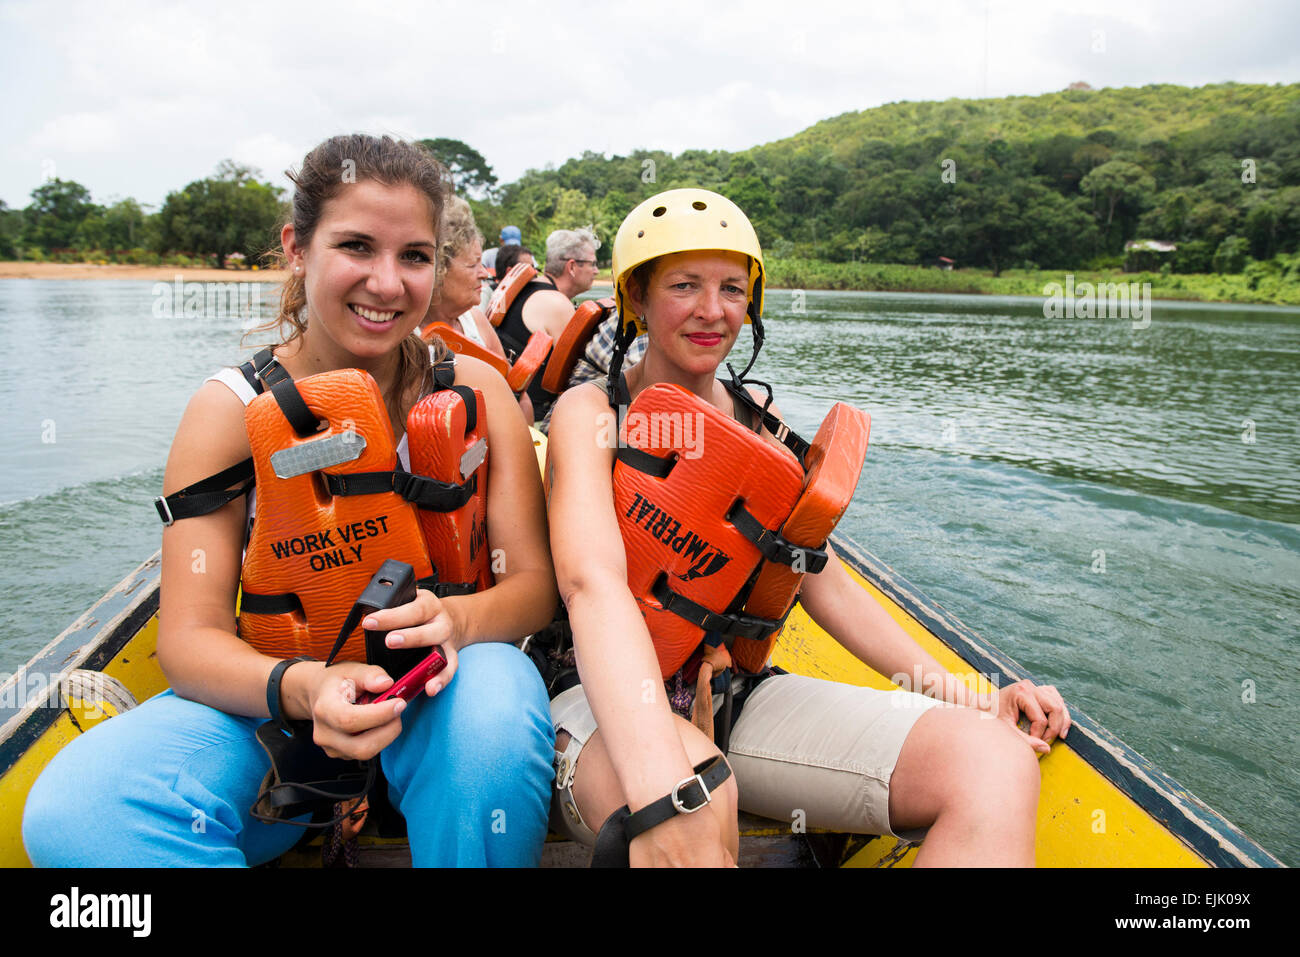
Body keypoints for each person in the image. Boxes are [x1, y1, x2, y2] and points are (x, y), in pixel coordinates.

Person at [22, 134, 557, 868]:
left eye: (414, 256)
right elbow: (187, 639)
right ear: (297, 249)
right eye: (356, 246)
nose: (387, 282)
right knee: (75, 813)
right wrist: (309, 689)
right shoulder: (229, 410)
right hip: (280, 721)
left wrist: (455, 618)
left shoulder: (475, 387)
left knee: (495, 712)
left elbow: (532, 588)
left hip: (449, 698)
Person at [544, 188, 1070, 867]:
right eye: (685, 286)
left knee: (991, 762)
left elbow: (820, 579)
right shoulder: (591, 413)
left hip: (732, 697)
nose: (714, 310)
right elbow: (591, 585)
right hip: (596, 700)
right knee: (698, 799)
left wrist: (968, 695)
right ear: (637, 297)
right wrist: (663, 781)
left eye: (733, 288)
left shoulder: (760, 425)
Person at [497, 227, 600, 422]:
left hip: (509, 409)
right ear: (572, 266)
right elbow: (581, 374)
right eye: (592, 263)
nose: (595, 270)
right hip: (534, 419)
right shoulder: (557, 304)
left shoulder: (531, 289)